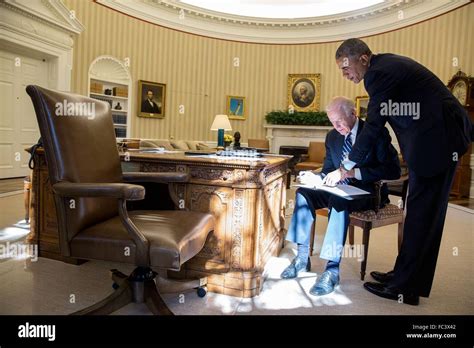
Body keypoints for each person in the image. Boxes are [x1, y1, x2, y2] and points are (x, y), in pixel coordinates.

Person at [328, 38, 472, 305]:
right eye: (341, 70)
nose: (345, 74)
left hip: (440, 142)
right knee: (418, 213)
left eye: (346, 67)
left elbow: (373, 127)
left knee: (422, 216)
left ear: (363, 58)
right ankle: (402, 274)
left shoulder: (378, 74)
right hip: (434, 141)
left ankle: (405, 287)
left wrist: (346, 166)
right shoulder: (385, 67)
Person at [281, 96, 400, 296]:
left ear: (353, 113)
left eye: (339, 121)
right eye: (332, 122)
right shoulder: (332, 137)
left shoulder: (375, 133)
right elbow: (329, 169)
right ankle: (302, 257)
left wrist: (353, 173)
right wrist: (314, 177)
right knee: (303, 194)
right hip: (338, 189)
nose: (336, 127)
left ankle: (332, 270)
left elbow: (392, 170)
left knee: (338, 201)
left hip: (368, 192)